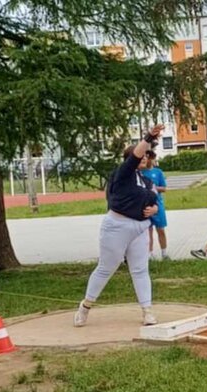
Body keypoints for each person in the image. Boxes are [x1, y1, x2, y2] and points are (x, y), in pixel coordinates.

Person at [74, 125, 164, 328]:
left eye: (147, 155)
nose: (145, 157)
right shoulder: (123, 173)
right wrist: (149, 137)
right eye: (142, 154)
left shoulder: (146, 181)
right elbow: (135, 155)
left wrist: (155, 209)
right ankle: (85, 306)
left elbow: (154, 200)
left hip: (140, 227)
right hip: (117, 226)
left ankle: (147, 310)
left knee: (140, 269)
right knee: (107, 267)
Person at [141, 150, 169, 260]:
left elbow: (164, 188)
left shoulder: (158, 172)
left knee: (160, 229)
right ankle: (149, 253)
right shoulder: (141, 172)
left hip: (158, 204)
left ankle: (164, 253)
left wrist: (153, 188)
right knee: (148, 231)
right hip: (146, 204)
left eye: (150, 158)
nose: (148, 160)